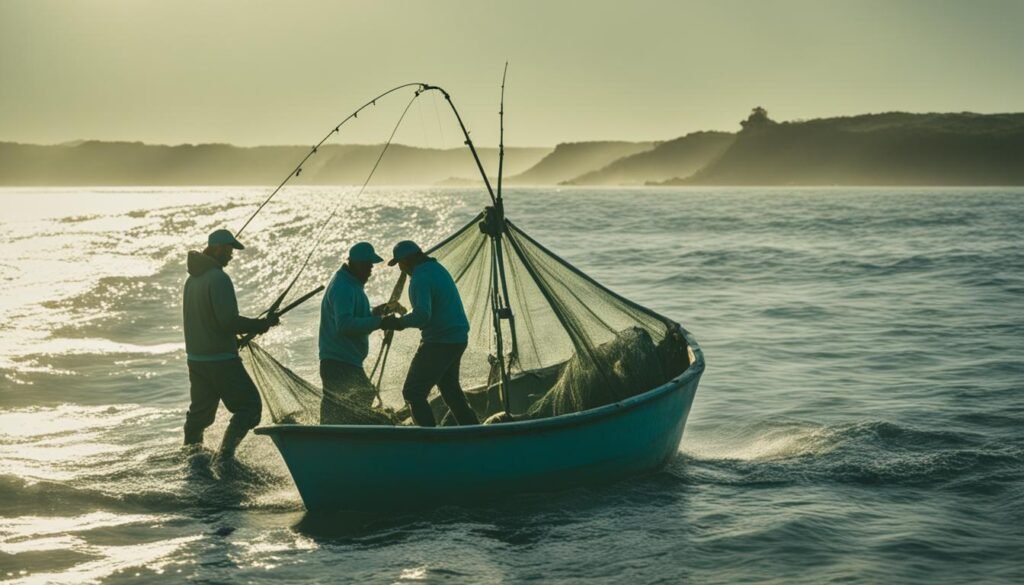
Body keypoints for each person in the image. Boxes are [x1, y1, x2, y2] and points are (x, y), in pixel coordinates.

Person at [182, 228, 279, 459]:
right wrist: (260, 325)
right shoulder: (219, 278)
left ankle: (190, 458)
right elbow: (227, 322)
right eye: (229, 250)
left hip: (196, 360)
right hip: (221, 361)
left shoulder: (191, 280)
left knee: (200, 417)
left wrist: (238, 335)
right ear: (217, 248)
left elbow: (206, 320)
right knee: (250, 408)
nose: (231, 256)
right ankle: (225, 457)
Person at [380, 240, 479, 427]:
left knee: (413, 392)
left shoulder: (420, 278)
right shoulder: (436, 269)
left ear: (407, 260)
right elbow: (430, 309)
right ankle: (475, 432)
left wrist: (397, 323)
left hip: (439, 342)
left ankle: (429, 440)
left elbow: (422, 315)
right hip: (457, 338)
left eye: (400, 264)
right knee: (450, 391)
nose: (401, 269)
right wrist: (404, 313)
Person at [318, 242, 403, 423]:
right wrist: (380, 322)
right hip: (338, 362)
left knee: (348, 406)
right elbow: (345, 325)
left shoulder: (351, 284)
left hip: (347, 361)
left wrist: (380, 312)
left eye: (371, 266)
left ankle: (339, 440)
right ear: (354, 264)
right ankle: (334, 442)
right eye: (367, 266)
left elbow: (356, 316)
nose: (370, 270)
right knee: (355, 401)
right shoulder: (343, 287)